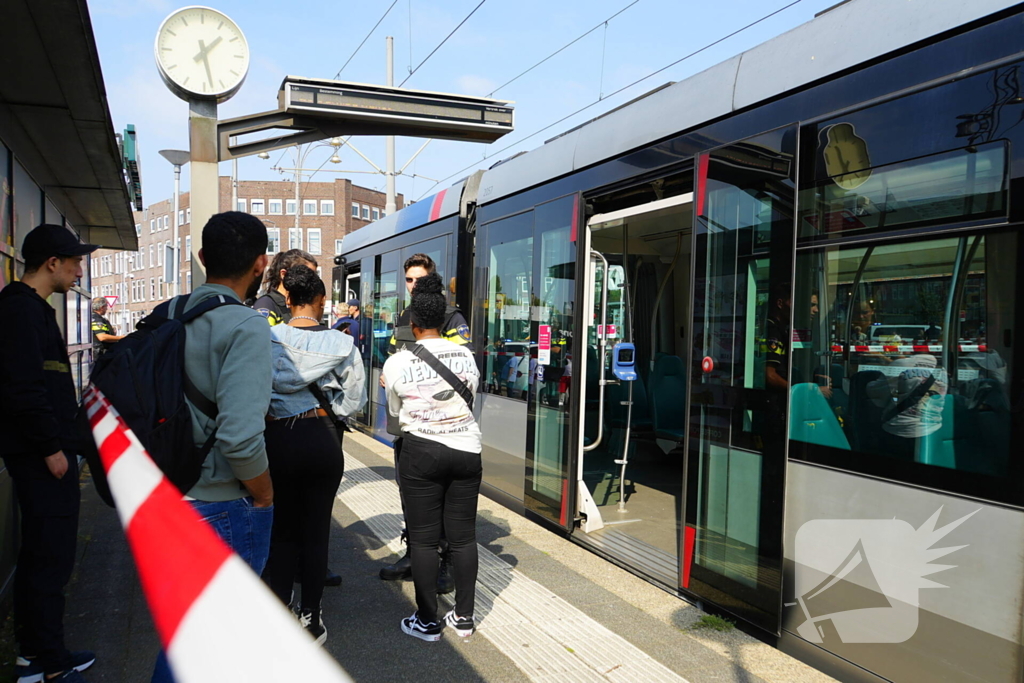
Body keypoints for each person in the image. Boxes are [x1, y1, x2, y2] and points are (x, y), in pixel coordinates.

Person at [151, 212, 275, 683]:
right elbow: (240, 437)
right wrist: (264, 495)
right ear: (261, 263)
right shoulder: (245, 327)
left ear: (202, 258)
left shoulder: (165, 315)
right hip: (221, 505)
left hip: (165, 495)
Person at [0, 224, 99, 683]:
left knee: (43, 553)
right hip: (43, 458)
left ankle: (34, 652)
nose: (80, 269)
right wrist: (51, 449)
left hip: (44, 453)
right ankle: (46, 659)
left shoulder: (29, 309)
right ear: (51, 263)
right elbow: (24, 390)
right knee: (50, 555)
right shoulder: (20, 311)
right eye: (74, 261)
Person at [263, 265, 365, 646]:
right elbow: (355, 400)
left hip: (280, 440)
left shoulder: (267, 338)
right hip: (322, 437)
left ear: (287, 299)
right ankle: (313, 618)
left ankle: (282, 610)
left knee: (284, 528)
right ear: (321, 302)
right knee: (317, 529)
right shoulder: (342, 344)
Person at [382, 272, 482, 641]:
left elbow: (395, 411)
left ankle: (427, 621)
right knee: (463, 538)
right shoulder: (468, 357)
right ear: (442, 319)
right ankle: (465, 618)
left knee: (424, 541)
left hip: (421, 451)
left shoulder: (397, 362)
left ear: (413, 322)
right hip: (467, 450)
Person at [251, 249, 342, 589]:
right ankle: (298, 589)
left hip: (304, 427)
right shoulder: (265, 309)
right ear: (287, 277)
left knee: (305, 517)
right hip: (293, 425)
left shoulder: (288, 313)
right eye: (308, 274)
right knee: (293, 518)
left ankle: (302, 577)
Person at [379, 253, 470, 587]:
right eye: (408, 280)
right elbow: (391, 354)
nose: (413, 285)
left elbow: (463, 364)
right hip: (405, 423)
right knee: (409, 494)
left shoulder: (450, 316)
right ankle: (415, 554)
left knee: (440, 498)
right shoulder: (404, 316)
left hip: (440, 424)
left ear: (431, 279)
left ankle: (443, 561)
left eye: (419, 279)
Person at [253, 249, 318, 326]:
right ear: (283, 274)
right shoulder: (266, 304)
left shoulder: (306, 305)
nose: (313, 281)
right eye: (305, 275)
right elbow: (263, 335)